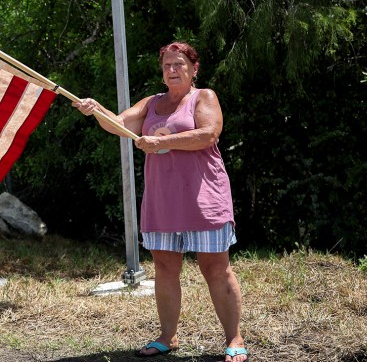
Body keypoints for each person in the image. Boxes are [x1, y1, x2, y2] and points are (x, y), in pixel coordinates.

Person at [73, 42, 249, 362]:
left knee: (216, 270)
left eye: (179, 64)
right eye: (167, 65)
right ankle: (168, 337)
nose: (172, 69)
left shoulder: (203, 97)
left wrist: (162, 141)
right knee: (165, 268)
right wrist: (97, 109)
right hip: (162, 200)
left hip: (203, 199)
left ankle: (234, 338)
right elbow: (120, 125)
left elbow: (209, 134)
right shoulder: (151, 103)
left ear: (194, 69)